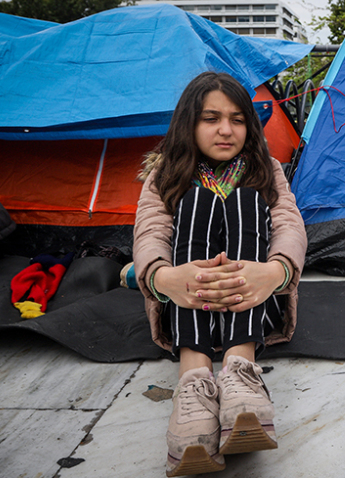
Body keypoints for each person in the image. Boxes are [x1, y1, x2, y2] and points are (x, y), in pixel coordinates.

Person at [133, 71, 307, 477]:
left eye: (237, 119)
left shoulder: (268, 170)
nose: (226, 130)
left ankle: (239, 371)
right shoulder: (164, 176)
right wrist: (162, 279)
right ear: (189, 123)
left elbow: (288, 225)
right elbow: (150, 232)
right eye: (211, 118)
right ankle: (193, 378)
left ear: (250, 124)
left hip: (254, 305)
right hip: (185, 304)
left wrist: (276, 272)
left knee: (246, 202)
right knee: (196, 203)